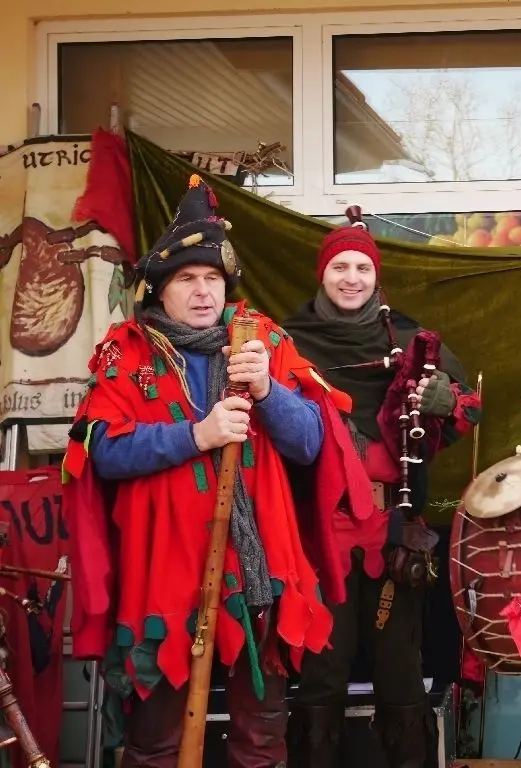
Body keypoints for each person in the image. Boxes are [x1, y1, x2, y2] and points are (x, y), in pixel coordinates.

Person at [62, 175, 374, 768]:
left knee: (261, 741)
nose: (203, 291)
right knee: (156, 743)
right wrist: (196, 436)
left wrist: (267, 388)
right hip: (164, 572)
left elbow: (312, 443)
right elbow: (100, 448)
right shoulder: (127, 350)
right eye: (187, 278)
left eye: (212, 277)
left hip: (261, 572)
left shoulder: (262, 340)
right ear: (160, 287)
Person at [282, 207, 482, 768]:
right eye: (340, 267)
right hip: (318, 533)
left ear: (376, 275)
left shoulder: (412, 342)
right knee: (321, 674)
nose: (352, 278)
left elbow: (470, 408)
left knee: (400, 673)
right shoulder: (288, 344)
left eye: (363, 268)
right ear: (322, 273)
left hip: (393, 533)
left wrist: (444, 401)